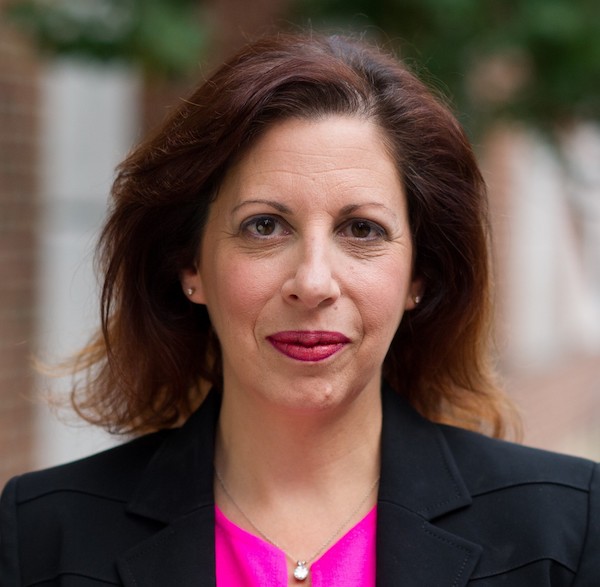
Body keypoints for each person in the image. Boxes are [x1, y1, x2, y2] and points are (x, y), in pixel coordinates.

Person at [1, 32, 598, 587]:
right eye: (264, 226)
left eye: (361, 229)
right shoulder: (43, 537)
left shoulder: (563, 530)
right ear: (190, 265)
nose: (313, 283)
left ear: (420, 273)